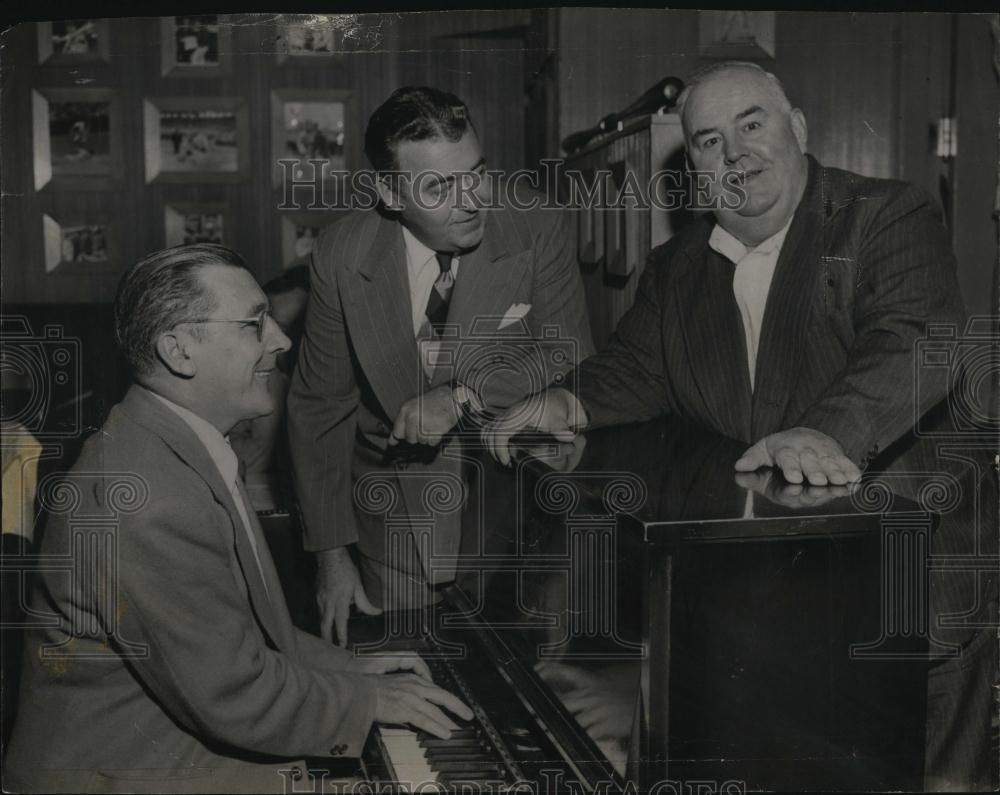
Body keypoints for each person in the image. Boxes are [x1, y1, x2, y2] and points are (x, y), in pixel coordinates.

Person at [484, 62, 995, 791]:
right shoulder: (677, 264)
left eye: (752, 124)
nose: (735, 154)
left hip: (913, 572)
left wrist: (825, 434)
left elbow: (915, 340)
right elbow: (636, 367)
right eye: (709, 141)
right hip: (774, 586)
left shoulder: (888, 215)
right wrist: (566, 402)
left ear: (798, 128)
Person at [3, 244, 472, 794]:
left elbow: (243, 638)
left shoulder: (171, 445)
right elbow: (233, 694)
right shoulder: (143, 496)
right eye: (255, 324)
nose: (281, 338)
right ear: (179, 351)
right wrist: (368, 700)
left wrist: (349, 668)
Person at [287, 86, 594, 645]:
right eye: (437, 186)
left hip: (518, 529)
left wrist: (461, 393)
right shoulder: (340, 254)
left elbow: (568, 353)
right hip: (395, 536)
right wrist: (330, 560)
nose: (471, 199)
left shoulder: (536, 223)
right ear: (388, 191)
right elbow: (320, 410)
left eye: (475, 172)